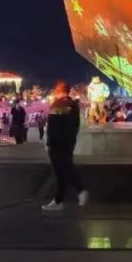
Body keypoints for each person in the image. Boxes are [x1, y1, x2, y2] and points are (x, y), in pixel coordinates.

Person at [42, 80, 88, 211]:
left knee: (61, 170)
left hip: (57, 143)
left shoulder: (59, 104)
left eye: (56, 89)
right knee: (66, 168)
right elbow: (75, 125)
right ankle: (71, 195)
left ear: (59, 91)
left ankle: (65, 197)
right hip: (68, 142)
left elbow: (53, 126)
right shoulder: (73, 105)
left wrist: (49, 143)